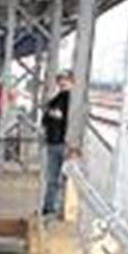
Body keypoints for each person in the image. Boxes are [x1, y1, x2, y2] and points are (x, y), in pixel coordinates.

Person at [41, 70, 73, 216]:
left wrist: (53, 115)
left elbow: (68, 120)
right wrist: (54, 115)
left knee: (64, 179)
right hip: (53, 142)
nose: (62, 82)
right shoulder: (55, 100)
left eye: (65, 79)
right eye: (60, 79)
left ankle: (62, 209)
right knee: (52, 178)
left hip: (66, 144)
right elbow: (45, 120)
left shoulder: (73, 100)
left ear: (72, 81)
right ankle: (49, 208)